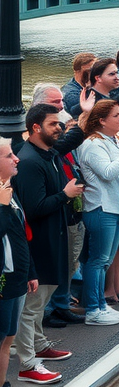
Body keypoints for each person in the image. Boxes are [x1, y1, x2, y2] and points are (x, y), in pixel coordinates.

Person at [12, 104, 85, 383]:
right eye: (54, 124)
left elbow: (70, 139)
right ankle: (28, 364)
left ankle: (40, 345)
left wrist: (86, 117)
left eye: (60, 123)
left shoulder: (50, 152)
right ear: (35, 128)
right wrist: (66, 194)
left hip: (54, 236)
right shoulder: (30, 161)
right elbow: (34, 208)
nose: (60, 128)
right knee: (31, 307)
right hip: (39, 243)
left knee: (40, 303)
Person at [77, 100, 119, 325]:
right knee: (97, 260)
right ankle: (93, 309)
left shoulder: (113, 140)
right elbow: (107, 173)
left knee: (104, 261)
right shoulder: (92, 144)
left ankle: (101, 305)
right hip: (101, 208)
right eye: (115, 116)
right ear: (102, 121)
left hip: (116, 207)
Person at [0, 138, 35, 387]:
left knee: (7, 338)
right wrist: (2, 207)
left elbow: (20, 234)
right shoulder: (4, 197)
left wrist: (30, 271)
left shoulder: (8, 190)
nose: (16, 158)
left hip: (16, 276)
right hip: (2, 281)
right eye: (9, 155)